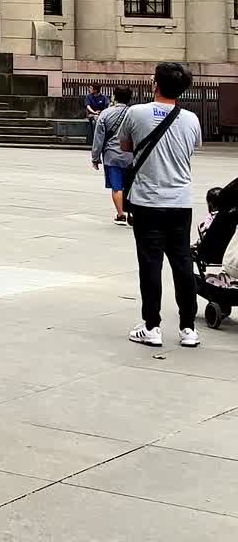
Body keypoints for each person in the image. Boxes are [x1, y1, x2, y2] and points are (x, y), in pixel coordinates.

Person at [121, 61, 202, 349]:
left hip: (147, 201)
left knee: (150, 263)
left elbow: (125, 147)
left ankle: (152, 326)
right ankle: (188, 327)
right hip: (180, 201)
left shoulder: (137, 112)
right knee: (182, 263)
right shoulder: (191, 119)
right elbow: (192, 148)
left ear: (155, 84)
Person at [91, 83, 134, 223]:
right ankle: (132, 214)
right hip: (131, 156)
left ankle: (121, 214)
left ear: (114, 96)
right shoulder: (134, 113)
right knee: (131, 186)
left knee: (117, 187)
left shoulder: (106, 113)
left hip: (112, 155)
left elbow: (98, 138)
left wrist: (95, 158)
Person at [85, 79, 110, 147]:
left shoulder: (103, 98)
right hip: (92, 115)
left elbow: (107, 106)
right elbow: (88, 106)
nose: (89, 89)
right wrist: (94, 112)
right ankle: (95, 140)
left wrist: (101, 113)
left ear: (95, 90)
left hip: (101, 115)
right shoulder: (89, 97)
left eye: (91, 88)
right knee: (94, 121)